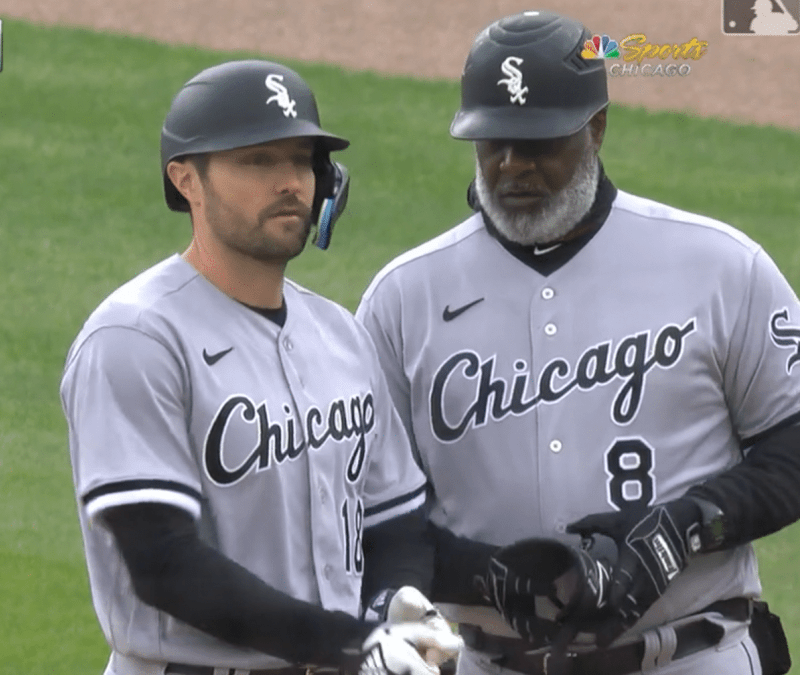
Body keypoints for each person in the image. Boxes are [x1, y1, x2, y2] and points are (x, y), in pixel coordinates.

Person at [356, 9, 799, 675]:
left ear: (596, 128)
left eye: (537, 143)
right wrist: (486, 575)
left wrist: (685, 526)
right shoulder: (402, 297)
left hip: (691, 657)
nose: (512, 166)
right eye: (493, 142)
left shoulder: (719, 265)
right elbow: (355, 511)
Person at [60, 59, 461, 675]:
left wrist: (390, 609)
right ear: (186, 179)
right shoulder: (135, 338)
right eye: (257, 161)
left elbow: (397, 521)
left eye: (301, 160)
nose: (290, 182)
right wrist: (350, 644)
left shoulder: (339, 334)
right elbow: (164, 564)